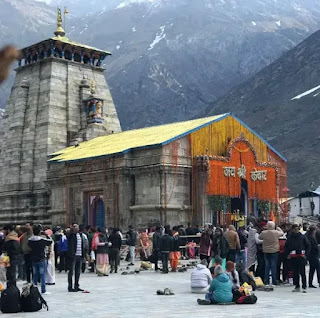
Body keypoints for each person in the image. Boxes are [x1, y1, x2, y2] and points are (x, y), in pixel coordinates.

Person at [285, 223, 310, 293]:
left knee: (302, 272)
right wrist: (287, 254)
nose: (296, 230)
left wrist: (306, 254)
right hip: (293, 257)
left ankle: (304, 286)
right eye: (295, 229)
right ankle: (297, 286)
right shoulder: (290, 238)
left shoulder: (302, 237)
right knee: (295, 273)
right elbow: (287, 247)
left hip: (301, 256)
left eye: (297, 229)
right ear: (292, 229)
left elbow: (308, 245)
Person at [28, 224, 52, 294]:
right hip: (41, 258)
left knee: (35, 275)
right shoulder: (41, 240)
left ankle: (33, 289)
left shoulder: (30, 240)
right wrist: (46, 234)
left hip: (33, 259)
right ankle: (43, 290)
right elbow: (50, 241)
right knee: (42, 275)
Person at [259, 221, 284, 285]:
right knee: (273, 266)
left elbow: (260, 237)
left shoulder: (263, 233)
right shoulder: (276, 232)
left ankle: (266, 280)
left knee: (267, 266)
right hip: (274, 251)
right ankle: (274, 280)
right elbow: (282, 233)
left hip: (266, 251)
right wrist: (277, 227)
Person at [67, 223, 86, 292]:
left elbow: (82, 245)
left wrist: (83, 255)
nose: (76, 228)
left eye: (77, 227)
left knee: (78, 272)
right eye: (74, 226)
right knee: (71, 272)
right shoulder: (71, 235)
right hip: (73, 256)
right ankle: (70, 286)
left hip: (79, 255)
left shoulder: (81, 235)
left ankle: (76, 285)